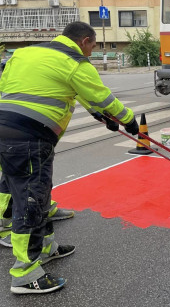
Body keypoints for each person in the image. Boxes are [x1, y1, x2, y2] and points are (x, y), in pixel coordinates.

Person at [0, 21, 139, 294]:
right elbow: (102, 97)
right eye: (94, 46)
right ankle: (25, 274)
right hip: (30, 136)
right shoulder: (76, 62)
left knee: (32, 192)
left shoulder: (27, 53)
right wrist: (129, 121)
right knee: (32, 201)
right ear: (85, 41)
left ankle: (47, 248)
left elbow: (54, 88)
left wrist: (97, 114)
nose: (92, 51)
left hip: (5, 129)